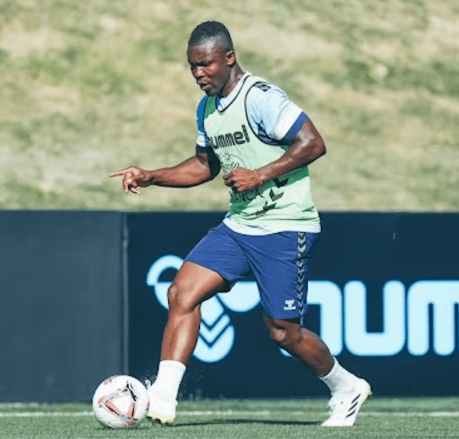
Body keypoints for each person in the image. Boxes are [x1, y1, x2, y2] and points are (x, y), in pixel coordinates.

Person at [109, 21, 371, 427]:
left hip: (286, 226)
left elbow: (313, 143)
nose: (199, 74)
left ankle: (346, 387)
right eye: (192, 67)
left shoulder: (261, 98)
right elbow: (204, 166)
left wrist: (260, 174)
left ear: (229, 58)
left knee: (283, 332)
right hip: (239, 226)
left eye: (206, 65)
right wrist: (152, 175)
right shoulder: (208, 109)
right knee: (182, 292)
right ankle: (162, 396)